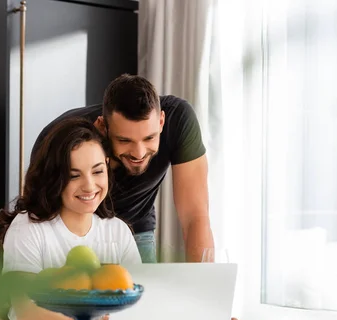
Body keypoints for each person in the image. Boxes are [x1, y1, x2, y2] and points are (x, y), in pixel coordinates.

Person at [32, 74, 211, 264]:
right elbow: (41, 209)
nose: (138, 153)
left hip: (136, 228)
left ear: (161, 122)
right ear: (102, 126)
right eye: (124, 140)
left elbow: (195, 215)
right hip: (75, 231)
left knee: (145, 292)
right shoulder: (61, 141)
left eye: (149, 138)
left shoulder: (178, 120)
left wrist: (202, 285)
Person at [0, 117, 142, 320]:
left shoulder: (118, 231)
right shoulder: (28, 227)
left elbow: (141, 307)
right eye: (74, 175)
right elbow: (28, 315)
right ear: (54, 178)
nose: (90, 185)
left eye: (98, 171)